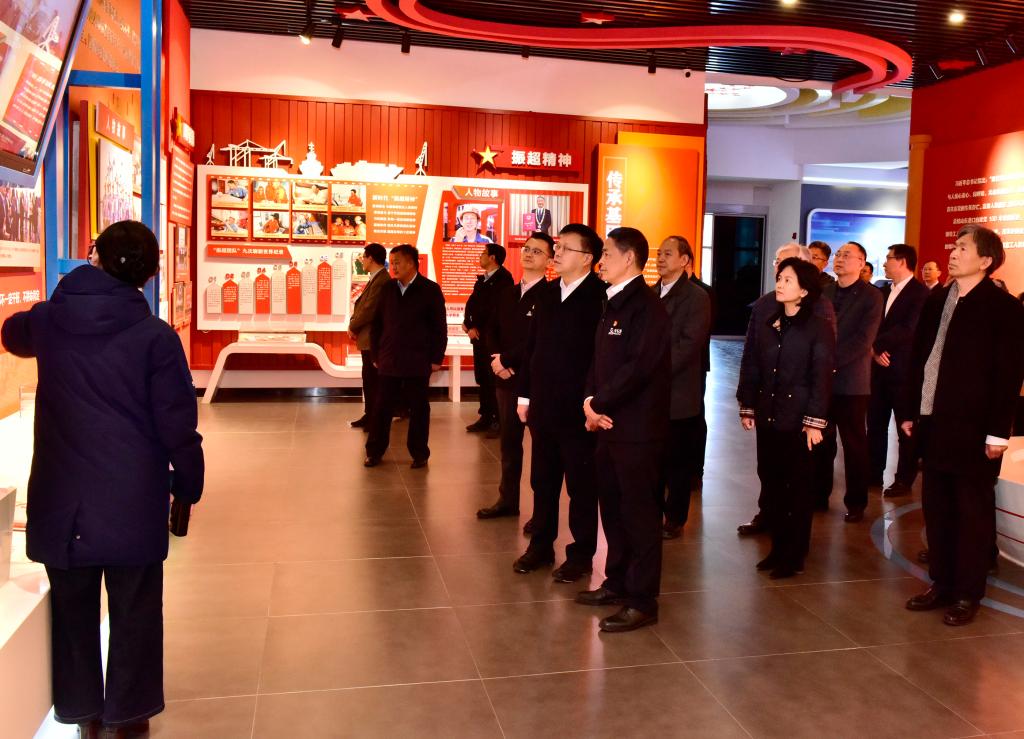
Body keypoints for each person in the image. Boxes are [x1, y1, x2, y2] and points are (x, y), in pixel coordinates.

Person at [1, 221, 204, 739]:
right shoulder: (155, 336)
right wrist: (188, 483)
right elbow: (177, 422)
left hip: (62, 500)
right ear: (149, 274)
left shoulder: (50, 321)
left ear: (94, 257)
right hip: (132, 498)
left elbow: (10, 333)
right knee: (136, 609)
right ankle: (128, 717)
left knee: (72, 611)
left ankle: (83, 714)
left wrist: (61, 297)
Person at [903, 224, 1024, 626]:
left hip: (976, 430)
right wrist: (910, 411)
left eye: (963, 248)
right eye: (953, 246)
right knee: (937, 509)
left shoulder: (1003, 307)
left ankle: (968, 593)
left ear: (986, 260)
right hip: (933, 421)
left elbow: (1008, 375)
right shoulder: (939, 299)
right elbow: (920, 357)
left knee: (972, 514)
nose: (953, 254)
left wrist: (998, 432)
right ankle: (941, 583)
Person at [577, 227, 670, 632]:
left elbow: (639, 367)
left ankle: (642, 599)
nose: (601, 263)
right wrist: (589, 402)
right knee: (612, 509)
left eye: (608, 254)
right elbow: (597, 361)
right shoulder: (611, 301)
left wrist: (599, 403)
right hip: (606, 425)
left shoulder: (647, 307)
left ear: (629, 258)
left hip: (636, 430)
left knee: (640, 515)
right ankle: (616, 582)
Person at [513, 224, 605, 581]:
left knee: (581, 486)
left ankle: (581, 555)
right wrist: (524, 396)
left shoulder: (600, 297)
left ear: (587, 258)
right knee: (543, 481)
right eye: (558, 246)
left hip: (579, 411)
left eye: (566, 248)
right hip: (544, 407)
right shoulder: (548, 294)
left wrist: (595, 404)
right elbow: (532, 349)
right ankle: (540, 546)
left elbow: (601, 358)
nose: (558, 253)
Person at [737, 258, 834, 579]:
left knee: (798, 489)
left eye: (788, 280)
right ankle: (777, 549)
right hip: (770, 416)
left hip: (799, 421)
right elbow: (753, 365)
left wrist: (815, 420)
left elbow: (822, 376)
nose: (779, 284)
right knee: (773, 483)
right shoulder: (770, 322)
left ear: (804, 290)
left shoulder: (817, 327)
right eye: (779, 278)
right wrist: (748, 404)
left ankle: (794, 555)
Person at [476, 232, 554, 520]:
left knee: (543, 450)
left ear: (550, 260)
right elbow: (491, 329)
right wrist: (498, 360)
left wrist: (509, 360)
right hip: (505, 379)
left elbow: (541, 339)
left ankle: (541, 514)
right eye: (527, 249)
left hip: (535, 381)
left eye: (537, 251)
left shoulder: (551, 295)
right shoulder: (507, 292)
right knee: (509, 444)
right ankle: (507, 500)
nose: (529, 254)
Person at [814, 241, 883, 522]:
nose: (840, 259)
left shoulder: (872, 296)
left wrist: (830, 362)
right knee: (820, 440)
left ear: (861, 262)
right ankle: (818, 495)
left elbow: (864, 340)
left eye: (847, 255)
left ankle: (856, 502)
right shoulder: (824, 291)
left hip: (852, 382)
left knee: (853, 445)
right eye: (838, 254)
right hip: (822, 381)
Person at [364, 244, 447, 468]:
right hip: (389, 359)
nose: (393, 267)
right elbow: (376, 324)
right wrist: (375, 354)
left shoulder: (430, 289)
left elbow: (439, 328)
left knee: (419, 408)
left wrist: (436, 358)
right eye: (392, 263)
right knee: (381, 407)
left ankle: (419, 453)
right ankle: (374, 451)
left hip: (417, 360)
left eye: (397, 262)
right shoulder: (388, 288)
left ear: (411, 263)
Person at [652, 235, 711, 539]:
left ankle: (675, 518)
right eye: (659, 253)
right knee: (653, 459)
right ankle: (652, 512)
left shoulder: (696, 297)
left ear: (685, 260)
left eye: (668, 254)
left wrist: (652, 370)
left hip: (678, 390)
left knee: (677, 460)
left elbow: (689, 344)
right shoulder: (651, 293)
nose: (660, 258)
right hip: (650, 392)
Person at [867, 244, 930, 497]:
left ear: (902, 261)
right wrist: (873, 351)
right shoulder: (882, 291)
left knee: (906, 428)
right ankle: (873, 473)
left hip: (904, 372)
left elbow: (908, 329)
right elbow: (872, 325)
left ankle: (903, 479)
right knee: (875, 423)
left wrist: (876, 346)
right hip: (878, 369)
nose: (884, 263)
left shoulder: (920, 293)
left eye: (889, 258)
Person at [463, 243, 514, 434]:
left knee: (493, 379)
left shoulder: (504, 280)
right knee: (483, 378)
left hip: (493, 339)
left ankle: (497, 419)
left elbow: (495, 310)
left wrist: (477, 326)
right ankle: (485, 416)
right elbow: (471, 303)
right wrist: (469, 324)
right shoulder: (482, 279)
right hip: (478, 337)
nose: (480, 256)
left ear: (493, 257)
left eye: (483, 253)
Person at [348, 243, 392, 430]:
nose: (362, 261)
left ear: (371, 258)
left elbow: (369, 309)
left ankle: (375, 417)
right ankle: (370, 414)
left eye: (363, 257)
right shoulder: (376, 278)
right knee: (369, 378)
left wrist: (353, 325)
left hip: (374, 338)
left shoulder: (382, 280)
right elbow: (363, 306)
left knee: (373, 379)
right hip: (367, 337)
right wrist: (354, 323)